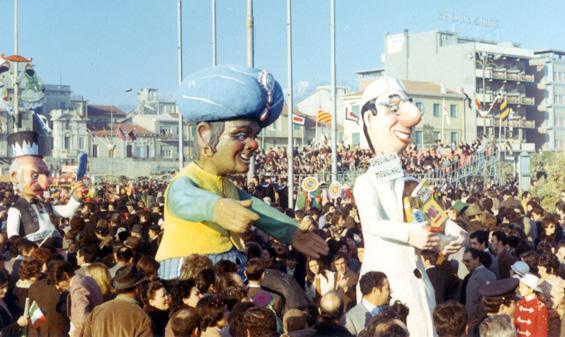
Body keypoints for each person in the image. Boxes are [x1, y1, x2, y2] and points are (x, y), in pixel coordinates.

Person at [156, 66, 328, 279]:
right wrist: (216, 208)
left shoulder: (228, 186)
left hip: (229, 273)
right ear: (204, 135)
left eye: (254, 135)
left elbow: (259, 211)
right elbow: (183, 198)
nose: (254, 144)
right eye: (241, 135)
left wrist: (292, 232)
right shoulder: (185, 181)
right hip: (190, 276)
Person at [353, 77, 464, 337]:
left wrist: (456, 235)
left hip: (418, 287)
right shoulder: (365, 182)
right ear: (370, 118)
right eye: (392, 107)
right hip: (384, 285)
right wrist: (410, 233)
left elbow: (442, 219)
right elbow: (373, 223)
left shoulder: (413, 184)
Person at [6, 131, 85, 248]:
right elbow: (13, 235)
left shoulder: (45, 205)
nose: (44, 185)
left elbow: (67, 211)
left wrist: (76, 197)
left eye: (46, 174)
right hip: (34, 254)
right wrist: (27, 249)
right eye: (35, 175)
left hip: (54, 249)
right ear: (15, 176)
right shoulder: (16, 210)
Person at [82, 266, 152, 337]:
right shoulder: (141, 317)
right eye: (142, 285)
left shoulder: (96, 311)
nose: (143, 288)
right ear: (138, 288)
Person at [50, 260, 104, 337]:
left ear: (65, 275)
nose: (57, 287)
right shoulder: (87, 279)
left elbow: (82, 318)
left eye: (57, 283)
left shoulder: (77, 287)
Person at [345, 271, 391, 336]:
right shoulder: (350, 319)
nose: (391, 291)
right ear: (375, 291)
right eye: (387, 288)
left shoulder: (390, 312)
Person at [461, 248, 496, 323]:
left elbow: (471, 305)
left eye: (467, 261)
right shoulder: (491, 275)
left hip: (477, 323)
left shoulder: (474, 278)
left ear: (477, 259)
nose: (465, 264)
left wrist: (469, 324)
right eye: (463, 261)